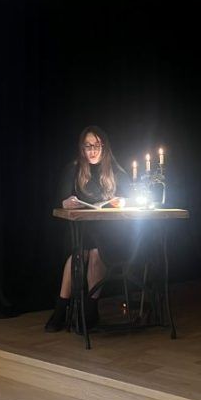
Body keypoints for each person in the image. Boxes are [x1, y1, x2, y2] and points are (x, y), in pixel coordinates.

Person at [45, 125, 131, 332]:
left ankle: (88, 308)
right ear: (82, 148)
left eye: (97, 145)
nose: (92, 150)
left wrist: (122, 201)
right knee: (81, 250)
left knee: (95, 251)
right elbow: (61, 200)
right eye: (88, 146)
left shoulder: (115, 171)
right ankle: (65, 307)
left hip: (109, 233)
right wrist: (67, 202)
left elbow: (130, 197)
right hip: (80, 230)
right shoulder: (74, 169)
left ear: (104, 147)